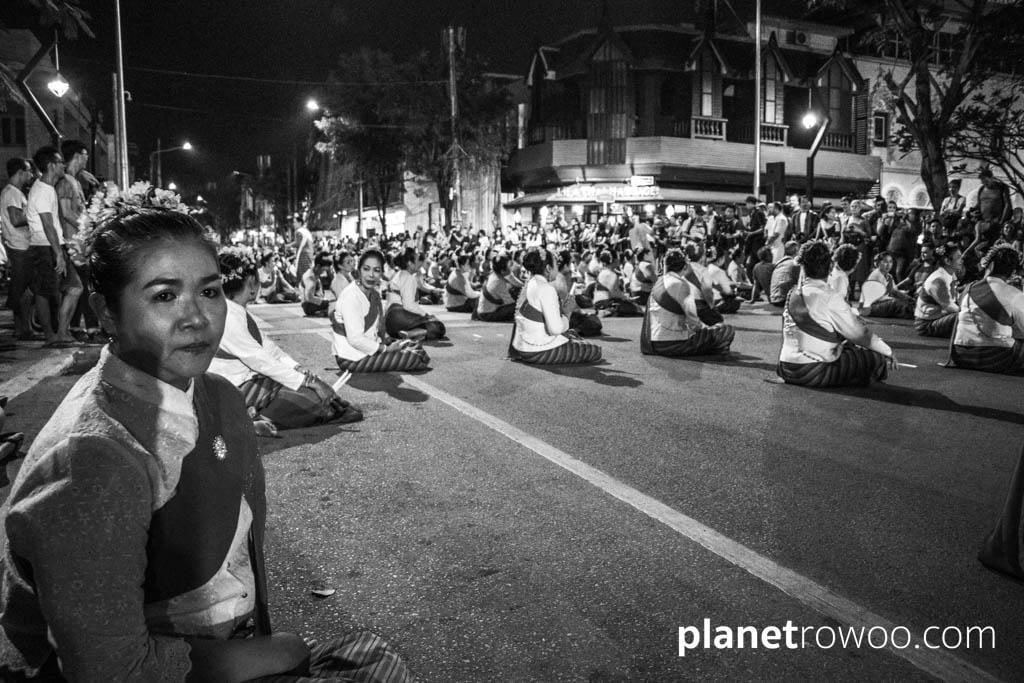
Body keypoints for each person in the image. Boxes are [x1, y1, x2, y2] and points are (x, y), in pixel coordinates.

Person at [0, 210, 411, 681]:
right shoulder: (91, 456)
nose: (196, 317)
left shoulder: (217, 395)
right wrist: (275, 654)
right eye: (165, 295)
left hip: (217, 646)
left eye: (210, 291)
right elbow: (110, 669)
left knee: (373, 655)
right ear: (106, 311)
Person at [209, 248, 362, 433]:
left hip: (245, 381)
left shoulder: (233, 311)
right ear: (251, 283)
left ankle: (255, 415)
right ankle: (247, 420)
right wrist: (308, 382)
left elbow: (270, 350)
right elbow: (261, 361)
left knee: (310, 391)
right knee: (311, 398)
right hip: (232, 389)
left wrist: (303, 372)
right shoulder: (227, 316)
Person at [777, 240, 897, 387]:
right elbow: (860, 334)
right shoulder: (830, 296)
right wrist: (887, 351)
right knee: (874, 357)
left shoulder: (793, 294)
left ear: (803, 266)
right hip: (812, 372)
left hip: (786, 367)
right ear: (829, 266)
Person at [333, 249, 430, 373]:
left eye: (377, 270)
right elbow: (355, 340)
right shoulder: (351, 295)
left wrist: (388, 342)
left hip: (369, 348)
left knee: (412, 345)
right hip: (351, 358)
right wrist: (385, 349)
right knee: (414, 357)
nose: (371, 275)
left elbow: (374, 331)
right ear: (359, 270)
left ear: (381, 273)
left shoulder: (373, 293)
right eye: (366, 269)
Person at [508, 248, 601, 365]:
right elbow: (555, 329)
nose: (558, 268)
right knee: (594, 350)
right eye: (555, 265)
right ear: (548, 268)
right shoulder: (546, 289)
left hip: (523, 346)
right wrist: (567, 313)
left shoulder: (531, 283)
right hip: (539, 351)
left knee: (574, 337)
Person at [640, 248, 734, 357]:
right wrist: (708, 330)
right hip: (672, 344)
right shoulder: (681, 285)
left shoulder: (660, 281)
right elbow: (694, 324)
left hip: (654, 342)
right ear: (685, 266)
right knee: (726, 330)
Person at [25, 146, 74, 347]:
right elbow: (47, 225)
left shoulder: (48, 188)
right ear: (52, 165)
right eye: (61, 162)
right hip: (44, 247)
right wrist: (58, 254)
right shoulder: (41, 191)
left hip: (53, 245)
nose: (64, 165)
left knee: (72, 287)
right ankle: (50, 335)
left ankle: (60, 331)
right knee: (44, 292)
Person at [949, 245, 1024, 373]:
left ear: (989, 265)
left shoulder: (969, 288)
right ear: (1012, 272)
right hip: (993, 356)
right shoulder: (1014, 294)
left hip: (961, 354)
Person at [57, 140, 99, 344]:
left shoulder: (73, 180)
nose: (87, 158)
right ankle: (88, 328)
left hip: (78, 240)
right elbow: (65, 212)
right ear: (77, 155)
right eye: (85, 154)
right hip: (72, 241)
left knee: (81, 287)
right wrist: (86, 226)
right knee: (82, 286)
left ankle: (76, 327)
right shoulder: (65, 182)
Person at [1, 158, 35, 340]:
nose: (30, 175)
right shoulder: (12, 193)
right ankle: (21, 329)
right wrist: (34, 214)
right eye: (28, 171)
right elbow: (15, 219)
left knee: (24, 289)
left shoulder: (14, 192)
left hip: (22, 244)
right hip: (19, 245)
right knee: (20, 288)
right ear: (20, 172)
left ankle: (24, 328)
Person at [384, 248, 446, 341]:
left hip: (390, 321)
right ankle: (411, 333)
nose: (419, 263)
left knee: (431, 321)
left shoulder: (399, 274)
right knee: (439, 327)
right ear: (409, 263)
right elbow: (409, 305)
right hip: (399, 316)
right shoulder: (408, 277)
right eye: (417, 259)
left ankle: (414, 334)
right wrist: (425, 315)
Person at [914, 241, 963, 337]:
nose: (962, 260)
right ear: (947, 261)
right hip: (927, 324)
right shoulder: (938, 280)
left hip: (939, 317)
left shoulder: (950, 274)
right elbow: (950, 307)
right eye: (958, 257)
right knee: (965, 317)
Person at [553, 249, 602, 337]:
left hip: (557, 315)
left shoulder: (558, 276)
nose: (573, 265)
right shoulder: (561, 280)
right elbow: (567, 307)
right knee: (594, 322)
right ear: (565, 265)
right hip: (561, 317)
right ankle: (574, 330)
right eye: (571, 263)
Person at [861, 251, 915, 319]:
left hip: (883, 304)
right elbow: (884, 296)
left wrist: (908, 297)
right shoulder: (876, 275)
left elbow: (895, 291)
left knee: (905, 300)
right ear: (879, 263)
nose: (888, 265)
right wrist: (903, 297)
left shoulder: (889, 276)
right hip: (872, 306)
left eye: (890, 262)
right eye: (885, 261)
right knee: (896, 303)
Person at [475, 253, 517, 322]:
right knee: (516, 306)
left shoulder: (493, 275)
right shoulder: (499, 282)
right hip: (488, 314)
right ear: (503, 271)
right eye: (510, 266)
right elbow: (509, 302)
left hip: (483, 311)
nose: (511, 268)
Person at [768, 241, 801, 308]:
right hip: (784, 299)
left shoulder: (779, 263)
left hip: (773, 298)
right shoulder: (795, 264)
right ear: (796, 250)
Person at [300, 251, 332, 317]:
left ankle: (324, 311)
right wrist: (324, 302)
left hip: (311, 303)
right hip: (308, 305)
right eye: (323, 270)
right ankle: (323, 311)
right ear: (318, 266)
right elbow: (309, 298)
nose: (324, 272)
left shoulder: (314, 273)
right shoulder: (310, 278)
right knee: (334, 304)